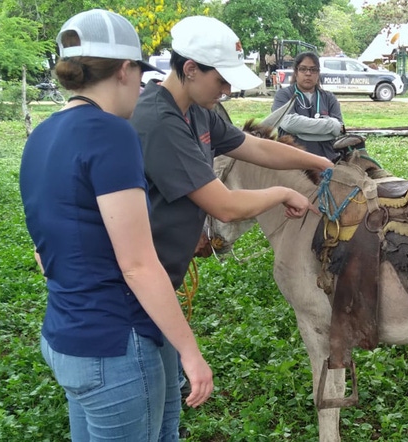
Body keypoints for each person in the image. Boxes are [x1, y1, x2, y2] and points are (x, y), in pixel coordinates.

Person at [130, 15, 333, 431]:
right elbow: (222, 205)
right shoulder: (159, 120)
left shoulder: (200, 109)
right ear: (190, 69)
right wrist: (281, 193)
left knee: (165, 414)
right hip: (132, 285)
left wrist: (318, 161)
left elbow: (251, 146)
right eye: (221, 81)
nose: (226, 90)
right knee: (141, 414)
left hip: (161, 282)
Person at [19, 10, 214, 440]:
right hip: (115, 347)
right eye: (142, 74)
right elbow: (138, 265)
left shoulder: (41, 136)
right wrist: (192, 352)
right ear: (125, 70)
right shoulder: (111, 133)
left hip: (65, 337)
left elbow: (43, 252)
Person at [272, 51, 344, 161]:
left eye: (313, 69)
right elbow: (289, 124)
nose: (308, 73)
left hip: (327, 161)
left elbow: (339, 130)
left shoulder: (329, 98)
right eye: (303, 69)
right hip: (292, 161)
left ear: (318, 73)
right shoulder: (284, 95)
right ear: (296, 72)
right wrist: (330, 124)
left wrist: (300, 132)